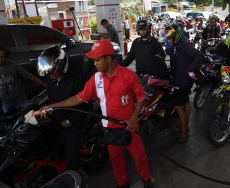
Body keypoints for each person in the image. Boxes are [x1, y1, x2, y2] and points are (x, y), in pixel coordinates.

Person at [36, 40, 154, 188]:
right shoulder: (95, 79)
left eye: (98, 60)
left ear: (109, 58)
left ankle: (146, 180)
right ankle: (123, 184)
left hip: (130, 126)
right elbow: (78, 98)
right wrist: (51, 106)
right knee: (116, 161)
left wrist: (134, 117)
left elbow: (142, 98)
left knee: (139, 157)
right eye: (94, 60)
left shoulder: (129, 75)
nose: (95, 64)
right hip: (109, 128)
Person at [36, 45, 91, 185]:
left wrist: (68, 122)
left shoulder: (76, 80)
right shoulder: (50, 78)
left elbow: (86, 106)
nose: (51, 75)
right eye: (49, 73)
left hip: (70, 124)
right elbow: (51, 98)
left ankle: (76, 178)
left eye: (53, 72)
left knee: (71, 158)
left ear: (62, 65)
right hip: (55, 120)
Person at [161, 24, 205, 143]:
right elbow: (169, 52)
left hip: (183, 81)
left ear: (177, 37)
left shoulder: (184, 46)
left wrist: (190, 68)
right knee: (185, 102)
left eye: (170, 38)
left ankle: (184, 133)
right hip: (181, 79)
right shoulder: (176, 46)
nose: (168, 40)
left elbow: (200, 56)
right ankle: (185, 125)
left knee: (179, 107)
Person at [0, 45, 45, 114]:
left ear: (6, 57)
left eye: (2, 57)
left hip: (20, 100)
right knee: (8, 120)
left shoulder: (14, 66)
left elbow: (30, 76)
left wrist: (44, 84)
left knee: (27, 116)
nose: (0, 59)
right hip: (6, 101)